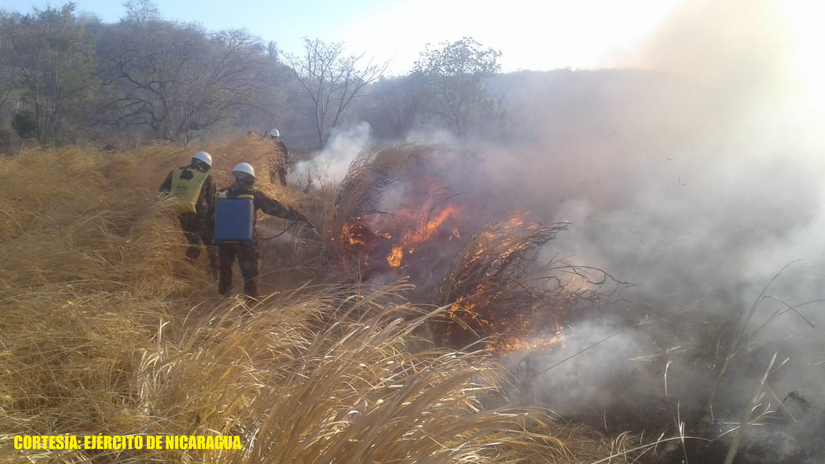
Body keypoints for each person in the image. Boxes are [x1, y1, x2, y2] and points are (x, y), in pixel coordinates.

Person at [215, 162, 311, 300]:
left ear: (237, 177)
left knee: (225, 271)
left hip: (224, 240)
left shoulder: (222, 193)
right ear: (250, 179)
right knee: (250, 274)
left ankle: (222, 300)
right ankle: (250, 303)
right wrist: (296, 215)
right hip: (244, 242)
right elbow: (275, 208)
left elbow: (212, 215)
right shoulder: (254, 194)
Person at [158, 151, 218, 277]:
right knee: (212, 246)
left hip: (182, 214)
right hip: (202, 218)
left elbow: (162, 192)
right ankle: (215, 277)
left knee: (194, 244)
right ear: (207, 165)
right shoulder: (206, 177)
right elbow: (212, 203)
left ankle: (185, 272)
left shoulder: (175, 173)